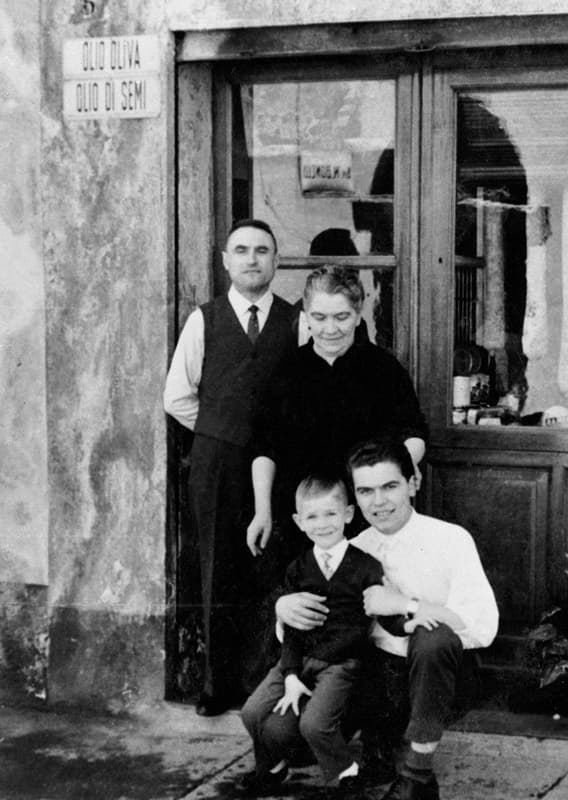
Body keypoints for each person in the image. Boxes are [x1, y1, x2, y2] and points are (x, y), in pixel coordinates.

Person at [276, 437, 499, 800]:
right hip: (371, 679)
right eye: (365, 491)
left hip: (436, 673)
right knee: (287, 736)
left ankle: (417, 775)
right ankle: (377, 750)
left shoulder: (450, 539)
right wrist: (282, 608)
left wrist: (404, 603)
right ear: (354, 498)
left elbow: (480, 625)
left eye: (390, 486)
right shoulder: (353, 548)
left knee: (433, 636)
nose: (378, 502)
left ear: (414, 483)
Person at [163, 218, 296, 716]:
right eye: (241, 250)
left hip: (279, 464)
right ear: (225, 260)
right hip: (217, 463)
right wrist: (223, 429)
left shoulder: (296, 319)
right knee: (218, 568)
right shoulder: (206, 319)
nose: (251, 259)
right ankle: (217, 686)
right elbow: (177, 397)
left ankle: (266, 681)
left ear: (276, 261)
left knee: (273, 566)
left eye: (262, 250)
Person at [239, 472, 409, 800]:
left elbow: (373, 620)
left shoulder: (366, 566)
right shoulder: (299, 568)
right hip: (298, 659)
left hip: (341, 663)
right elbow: (292, 628)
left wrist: (406, 618)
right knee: (251, 712)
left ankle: (348, 771)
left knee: (314, 725)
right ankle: (271, 767)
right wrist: (289, 673)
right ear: (299, 522)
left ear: (347, 514)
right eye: (312, 517)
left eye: (330, 514)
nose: (322, 524)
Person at [247, 264, 427, 563]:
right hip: (303, 519)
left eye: (341, 317)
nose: (330, 328)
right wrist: (262, 510)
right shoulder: (284, 371)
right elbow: (263, 447)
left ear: (358, 316)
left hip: (367, 514)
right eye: (319, 317)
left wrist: (404, 464)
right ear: (305, 315)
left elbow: (414, 433)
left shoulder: (383, 369)